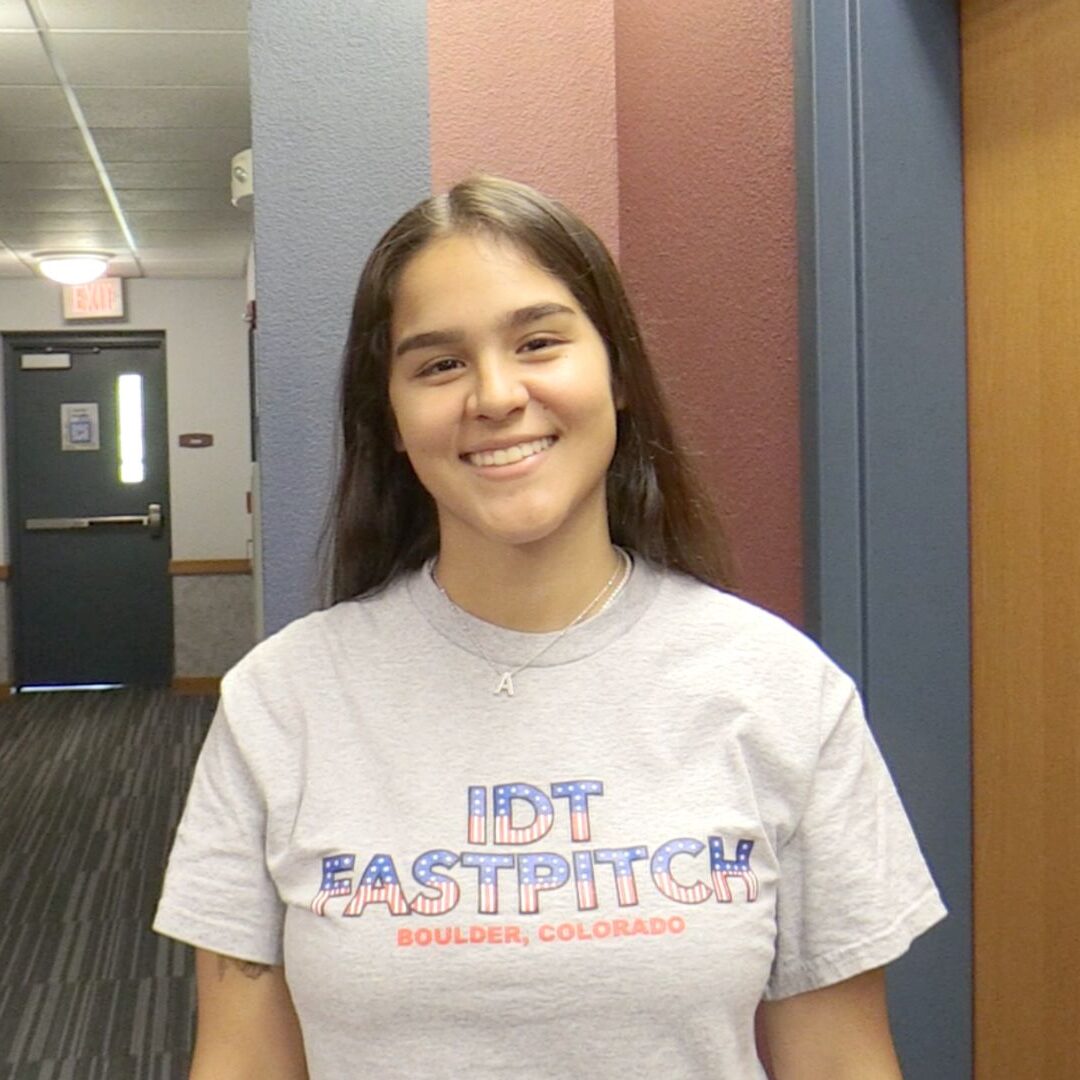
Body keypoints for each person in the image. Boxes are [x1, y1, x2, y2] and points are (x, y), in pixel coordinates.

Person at [154, 175, 946, 1079]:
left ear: (619, 374)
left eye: (538, 342)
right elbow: (241, 1064)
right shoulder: (281, 701)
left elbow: (842, 1061)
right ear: (394, 419)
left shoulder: (782, 691)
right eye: (439, 364)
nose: (495, 395)